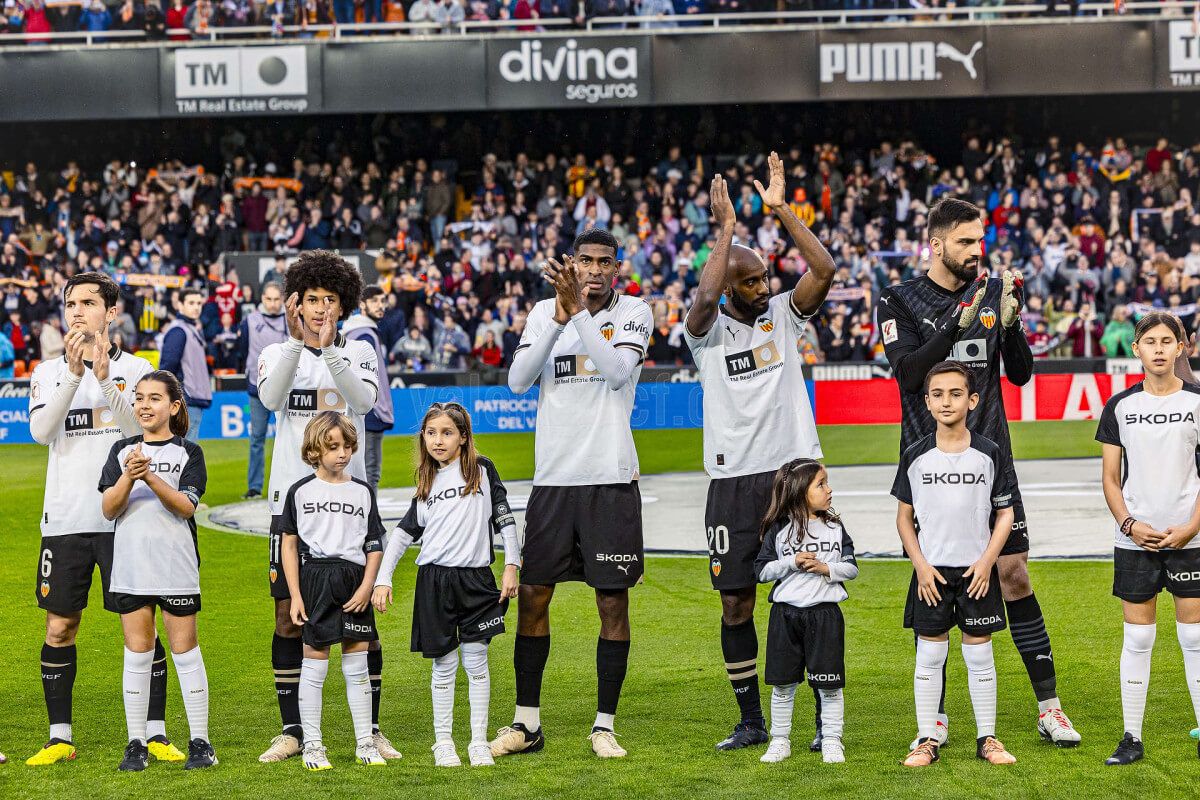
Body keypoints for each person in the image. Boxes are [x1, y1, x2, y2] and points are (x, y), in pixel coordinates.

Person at [877, 197, 1080, 746]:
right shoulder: (898, 300)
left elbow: (1019, 374)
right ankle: (934, 725)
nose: (976, 251)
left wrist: (1010, 325)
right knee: (935, 584)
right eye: (965, 242)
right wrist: (955, 323)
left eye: (980, 240)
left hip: (993, 459)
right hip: (927, 465)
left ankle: (1050, 708)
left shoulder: (992, 291)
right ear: (936, 244)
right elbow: (908, 373)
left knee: (1013, 574)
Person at [684, 153, 835, 752]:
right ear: (726, 284)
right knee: (736, 603)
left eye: (764, 276)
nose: (762, 286)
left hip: (793, 475)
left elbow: (822, 267)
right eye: (749, 280)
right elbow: (700, 301)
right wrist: (725, 234)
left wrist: (779, 212)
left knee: (813, 594)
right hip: (732, 483)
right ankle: (751, 720)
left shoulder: (783, 317)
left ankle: (826, 717)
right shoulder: (706, 333)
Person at [490, 228, 652, 760]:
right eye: (586, 261)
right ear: (573, 263)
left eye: (606, 262)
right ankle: (526, 723)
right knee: (534, 597)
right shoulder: (543, 313)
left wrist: (577, 312)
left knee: (612, 602)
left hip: (609, 478)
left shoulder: (635, 314)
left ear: (618, 267)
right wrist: (560, 316)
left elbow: (616, 371)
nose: (596, 270)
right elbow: (516, 381)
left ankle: (604, 725)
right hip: (554, 480)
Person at [25, 272, 181, 767]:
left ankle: (153, 732)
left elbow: (143, 429)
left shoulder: (138, 371)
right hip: (66, 520)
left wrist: (101, 375)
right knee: (60, 626)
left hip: (127, 519)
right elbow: (40, 432)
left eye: (88, 303)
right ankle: (59, 736)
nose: (76, 311)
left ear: (111, 313)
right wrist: (73, 374)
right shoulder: (48, 373)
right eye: (70, 302)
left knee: (142, 628)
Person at [255, 251, 397, 762]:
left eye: (329, 300)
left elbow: (361, 402)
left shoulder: (359, 349)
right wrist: (298, 344)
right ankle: (292, 730)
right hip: (290, 505)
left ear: (344, 303)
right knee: (288, 616)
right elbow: (271, 399)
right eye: (311, 300)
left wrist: (329, 348)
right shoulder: (276, 352)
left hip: (348, 506)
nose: (319, 309)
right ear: (297, 303)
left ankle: (372, 729)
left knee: (361, 618)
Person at [372, 403, 520, 767]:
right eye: (431, 433)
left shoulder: (482, 471)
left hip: (476, 579)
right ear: (423, 438)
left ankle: (478, 743)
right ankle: (444, 742)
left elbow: (505, 519)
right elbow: (403, 534)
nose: (438, 440)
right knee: (444, 665)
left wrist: (512, 564)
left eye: (447, 432)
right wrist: (383, 578)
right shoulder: (426, 482)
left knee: (477, 661)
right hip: (435, 581)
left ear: (464, 437)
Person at [893, 361, 1018, 768]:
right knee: (929, 657)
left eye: (956, 393)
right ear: (927, 402)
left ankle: (988, 739)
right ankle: (927, 739)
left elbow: (1005, 515)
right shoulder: (915, 455)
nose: (947, 401)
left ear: (972, 400)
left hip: (975, 573)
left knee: (979, 656)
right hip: (931, 574)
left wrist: (986, 563)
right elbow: (903, 518)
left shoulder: (988, 453)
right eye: (938, 394)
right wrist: (921, 566)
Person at [1095, 312, 1200, 766]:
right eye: (1149, 341)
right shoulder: (1119, 406)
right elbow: (1110, 480)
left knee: (1193, 638)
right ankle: (1131, 737)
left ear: (1182, 348)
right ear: (1135, 349)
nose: (1158, 348)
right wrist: (1129, 526)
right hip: (1134, 542)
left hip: (1190, 539)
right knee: (1137, 640)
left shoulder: (1198, 401)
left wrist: (1192, 528)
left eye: (1166, 341)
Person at [99, 371, 215, 771]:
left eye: (154, 398)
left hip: (176, 564)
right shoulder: (121, 451)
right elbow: (109, 509)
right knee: (137, 653)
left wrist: (148, 475)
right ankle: (136, 743)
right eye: (139, 398)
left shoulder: (189, 452)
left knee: (185, 652)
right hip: (130, 565)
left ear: (174, 406)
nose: (144, 406)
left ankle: (200, 741)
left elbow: (186, 507)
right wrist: (128, 480)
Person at [280, 412, 387, 770]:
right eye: (333, 447)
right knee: (315, 665)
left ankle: (364, 743)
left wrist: (368, 586)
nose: (342, 454)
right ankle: (313, 745)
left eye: (347, 446)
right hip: (315, 580)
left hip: (354, 580)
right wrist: (295, 595)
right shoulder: (299, 491)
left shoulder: (362, 491)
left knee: (357, 664)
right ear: (315, 450)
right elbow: (289, 546)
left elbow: (374, 545)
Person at [754, 459, 857, 765]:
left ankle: (832, 740)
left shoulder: (836, 528)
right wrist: (792, 562)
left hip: (825, 617)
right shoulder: (778, 530)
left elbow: (851, 568)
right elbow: (761, 572)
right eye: (821, 484)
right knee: (783, 685)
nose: (829, 489)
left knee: (829, 685)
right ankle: (780, 740)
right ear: (800, 492)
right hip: (785, 617)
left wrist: (826, 568)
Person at [237, 281, 288, 499]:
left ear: (283, 300)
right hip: (258, 386)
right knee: (257, 438)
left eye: (277, 299)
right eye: (269, 299)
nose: (273, 303)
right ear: (262, 299)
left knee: (287, 438)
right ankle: (255, 487)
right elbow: (243, 350)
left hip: (286, 387)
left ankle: (288, 485)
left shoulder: (292, 320)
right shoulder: (250, 321)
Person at [343, 286, 394, 490]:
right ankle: (369, 521)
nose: (380, 305)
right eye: (374, 301)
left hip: (361, 407)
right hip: (369, 409)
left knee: (363, 470)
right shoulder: (365, 334)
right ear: (362, 305)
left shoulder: (356, 330)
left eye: (382, 301)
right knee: (370, 472)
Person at [159, 288, 212, 442]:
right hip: (186, 399)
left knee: (185, 451)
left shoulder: (190, 329)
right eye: (191, 303)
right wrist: (177, 397)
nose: (196, 307)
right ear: (180, 305)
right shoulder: (178, 331)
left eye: (198, 303)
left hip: (191, 397)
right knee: (185, 452)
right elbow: (167, 368)